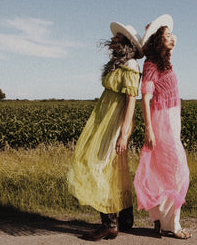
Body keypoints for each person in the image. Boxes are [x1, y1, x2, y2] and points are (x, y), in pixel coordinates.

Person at [67, 21, 143, 241]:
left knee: (98, 166)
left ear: (127, 44)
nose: (112, 42)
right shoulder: (119, 64)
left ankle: (110, 224)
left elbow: (131, 100)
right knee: (113, 167)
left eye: (118, 40)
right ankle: (126, 219)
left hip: (115, 121)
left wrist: (123, 132)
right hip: (105, 119)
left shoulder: (130, 65)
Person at [134, 14, 192, 239]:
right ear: (158, 40)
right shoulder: (150, 65)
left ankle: (160, 221)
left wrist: (163, 32)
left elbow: (173, 41)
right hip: (160, 122)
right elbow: (145, 98)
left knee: (163, 173)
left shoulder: (164, 61)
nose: (173, 38)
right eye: (167, 36)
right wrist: (149, 129)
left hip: (171, 121)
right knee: (176, 173)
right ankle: (172, 226)